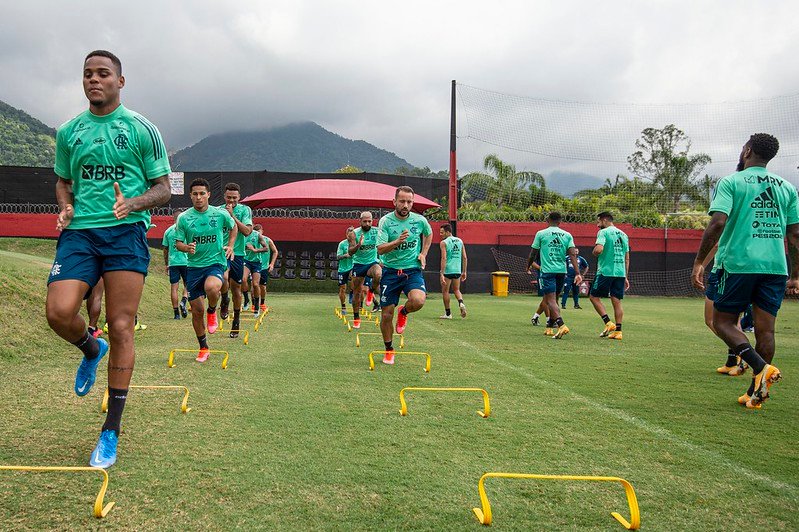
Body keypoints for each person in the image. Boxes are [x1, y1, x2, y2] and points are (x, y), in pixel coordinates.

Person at [45, 50, 171, 468]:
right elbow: (63, 182)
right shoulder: (69, 131)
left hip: (125, 233)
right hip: (79, 234)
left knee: (121, 325)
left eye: (103, 74)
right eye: (87, 74)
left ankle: (110, 431)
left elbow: (164, 188)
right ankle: (88, 348)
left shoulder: (141, 129)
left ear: (120, 80)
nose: (94, 80)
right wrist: (64, 205)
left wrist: (133, 202)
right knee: (59, 313)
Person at [692, 133, 799, 409]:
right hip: (775, 267)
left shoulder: (731, 182)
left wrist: (699, 261)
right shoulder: (787, 187)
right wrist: (796, 274)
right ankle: (756, 393)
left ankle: (761, 367)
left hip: (738, 264)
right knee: (766, 331)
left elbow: (717, 223)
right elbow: (795, 234)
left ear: (747, 150)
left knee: (723, 323)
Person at [175, 178, 236, 361]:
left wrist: (231, 245)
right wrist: (187, 248)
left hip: (215, 262)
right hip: (193, 267)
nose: (199, 197)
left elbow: (233, 229)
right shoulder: (184, 218)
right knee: (196, 311)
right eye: (195, 194)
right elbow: (178, 243)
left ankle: (212, 310)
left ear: (208, 194)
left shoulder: (220, 214)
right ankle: (203, 348)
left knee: (212, 287)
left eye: (202, 193)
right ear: (190, 196)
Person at [376, 186, 433, 364]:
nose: (405, 205)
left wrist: (423, 253)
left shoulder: (420, 220)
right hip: (391, 271)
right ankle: (389, 350)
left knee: (418, 301)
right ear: (394, 202)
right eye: (402, 201)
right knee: (386, 315)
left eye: (409, 202)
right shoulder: (385, 222)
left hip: (412, 270)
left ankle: (404, 310)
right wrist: (398, 241)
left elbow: (429, 234)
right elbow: (380, 248)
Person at [527, 212, 582, 339]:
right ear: (560, 222)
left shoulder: (541, 233)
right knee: (554, 299)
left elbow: (532, 253)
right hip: (561, 271)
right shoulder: (567, 235)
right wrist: (578, 273)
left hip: (547, 271)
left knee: (550, 300)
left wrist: (528, 265)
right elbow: (573, 255)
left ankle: (561, 325)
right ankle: (549, 328)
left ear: (547, 220)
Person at [702, 244, 748, 376]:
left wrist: (700, 265)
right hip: (732, 270)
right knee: (722, 320)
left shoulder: (725, 223)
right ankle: (732, 360)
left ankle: (744, 354)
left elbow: (716, 244)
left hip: (724, 271)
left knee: (717, 321)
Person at [218, 183, 253, 338]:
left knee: (236, 288)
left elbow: (246, 231)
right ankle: (224, 300)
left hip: (238, 253)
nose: (231, 200)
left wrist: (232, 215)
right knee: (223, 278)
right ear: (224, 196)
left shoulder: (245, 210)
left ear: (239, 197)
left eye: (234, 198)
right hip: (221, 252)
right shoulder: (217, 211)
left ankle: (236, 320)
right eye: (228, 197)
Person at [588, 212, 629, 340]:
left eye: (598, 221)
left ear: (605, 220)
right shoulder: (624, 234)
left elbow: (599, 249)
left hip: (606, 271)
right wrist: (626, 276)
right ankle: (618, 331)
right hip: (620, 272)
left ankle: (608, 322)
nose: (597, 224)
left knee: (593, 297)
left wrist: (594, 252)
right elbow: (627, 258)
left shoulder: (603, 232)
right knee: (616, 301)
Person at [348, 211, 382, 329]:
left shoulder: (377, 231)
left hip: (372, 262)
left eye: (370, 221)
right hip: (358, 264)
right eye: (365, 221)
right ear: (360, 221)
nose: (367, 223)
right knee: (356, 292)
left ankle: (371, 292)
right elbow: (350, 252)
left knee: (378, 274)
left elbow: (384, 243)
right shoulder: (353, 233)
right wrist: (358, 245)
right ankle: (356, 318)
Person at [162, 211, 190, 320]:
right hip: (186, 261)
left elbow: (165, 249)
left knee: (174, 288)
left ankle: (176, 314)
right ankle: (184, 300)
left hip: (173, 262)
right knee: (187, 284)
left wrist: (166, 264)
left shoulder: (168, 231)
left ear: (173, 218)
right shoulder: (187, 230)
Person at [439, 223, 468, 319]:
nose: (441, 234)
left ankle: (448, 314)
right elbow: (464, 257)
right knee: (456, 289)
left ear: (448, 232)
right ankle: (461, 303)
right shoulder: (460, 241)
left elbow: (444, 258)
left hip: (448, 270)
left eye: (442, 232)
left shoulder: (444, 243)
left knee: (445, 291)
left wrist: (442, 273)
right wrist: (464, 271)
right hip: (457, 270)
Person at [256, 229, 277, 313]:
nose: (258, 233)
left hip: (264, 267)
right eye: (256, 231)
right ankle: (254, 304)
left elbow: (275, 251)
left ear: (262, 231)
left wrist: (271, 264)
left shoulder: (268, 240)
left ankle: (262, 303)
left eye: (259, 231)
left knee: (263, 287)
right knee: (254, 286)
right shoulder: (251, 239)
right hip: (255, 265)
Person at [336, 227, 355, 314]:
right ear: (346, 234)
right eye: (349, 234)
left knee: (353, 279)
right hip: (343, 269)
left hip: (352, 266)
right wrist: (345, 255)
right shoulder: (342, 244)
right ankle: (343, 306)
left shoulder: (356, 243)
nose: (350, 236)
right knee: (342, 288)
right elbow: (338, 257)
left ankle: (352, 292)